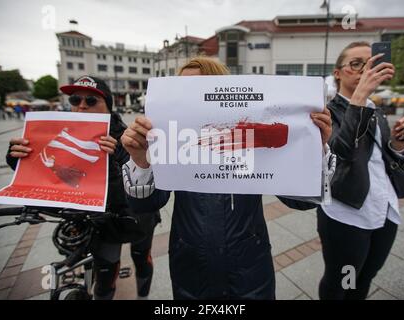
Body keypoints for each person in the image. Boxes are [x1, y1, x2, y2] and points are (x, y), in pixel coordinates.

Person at [120, 57, 333, 299]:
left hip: (250, 268)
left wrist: (312, 149)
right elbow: (145, 204)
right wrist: (141, 160)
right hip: (190, 266)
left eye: (200, 91)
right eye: (182, 92)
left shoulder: (253, 133)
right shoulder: (170, 136)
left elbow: (302, 201)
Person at [6, 76, 160, 300]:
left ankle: (143, 296)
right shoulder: (61, 132)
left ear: (108, 105)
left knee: (141, 256)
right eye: (75, 99)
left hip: (136, 215)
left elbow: (141, 183)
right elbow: (48, 172)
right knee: (106, 270)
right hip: (101, 220)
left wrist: (120, 156)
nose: (81, 106)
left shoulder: (125, 136)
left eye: (91, 101)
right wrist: (18, 159)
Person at [317, 41, 404, 299]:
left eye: (370, 63)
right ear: (337, 73)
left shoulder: (376, 110)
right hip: (346, 210)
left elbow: (383, 161)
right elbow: (341, 154)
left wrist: (398, 146)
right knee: (340, 280)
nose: (364, 69)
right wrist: (359, 97)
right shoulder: (327, 111)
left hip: (384, 208)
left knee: (366, 276)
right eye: (356, 64)